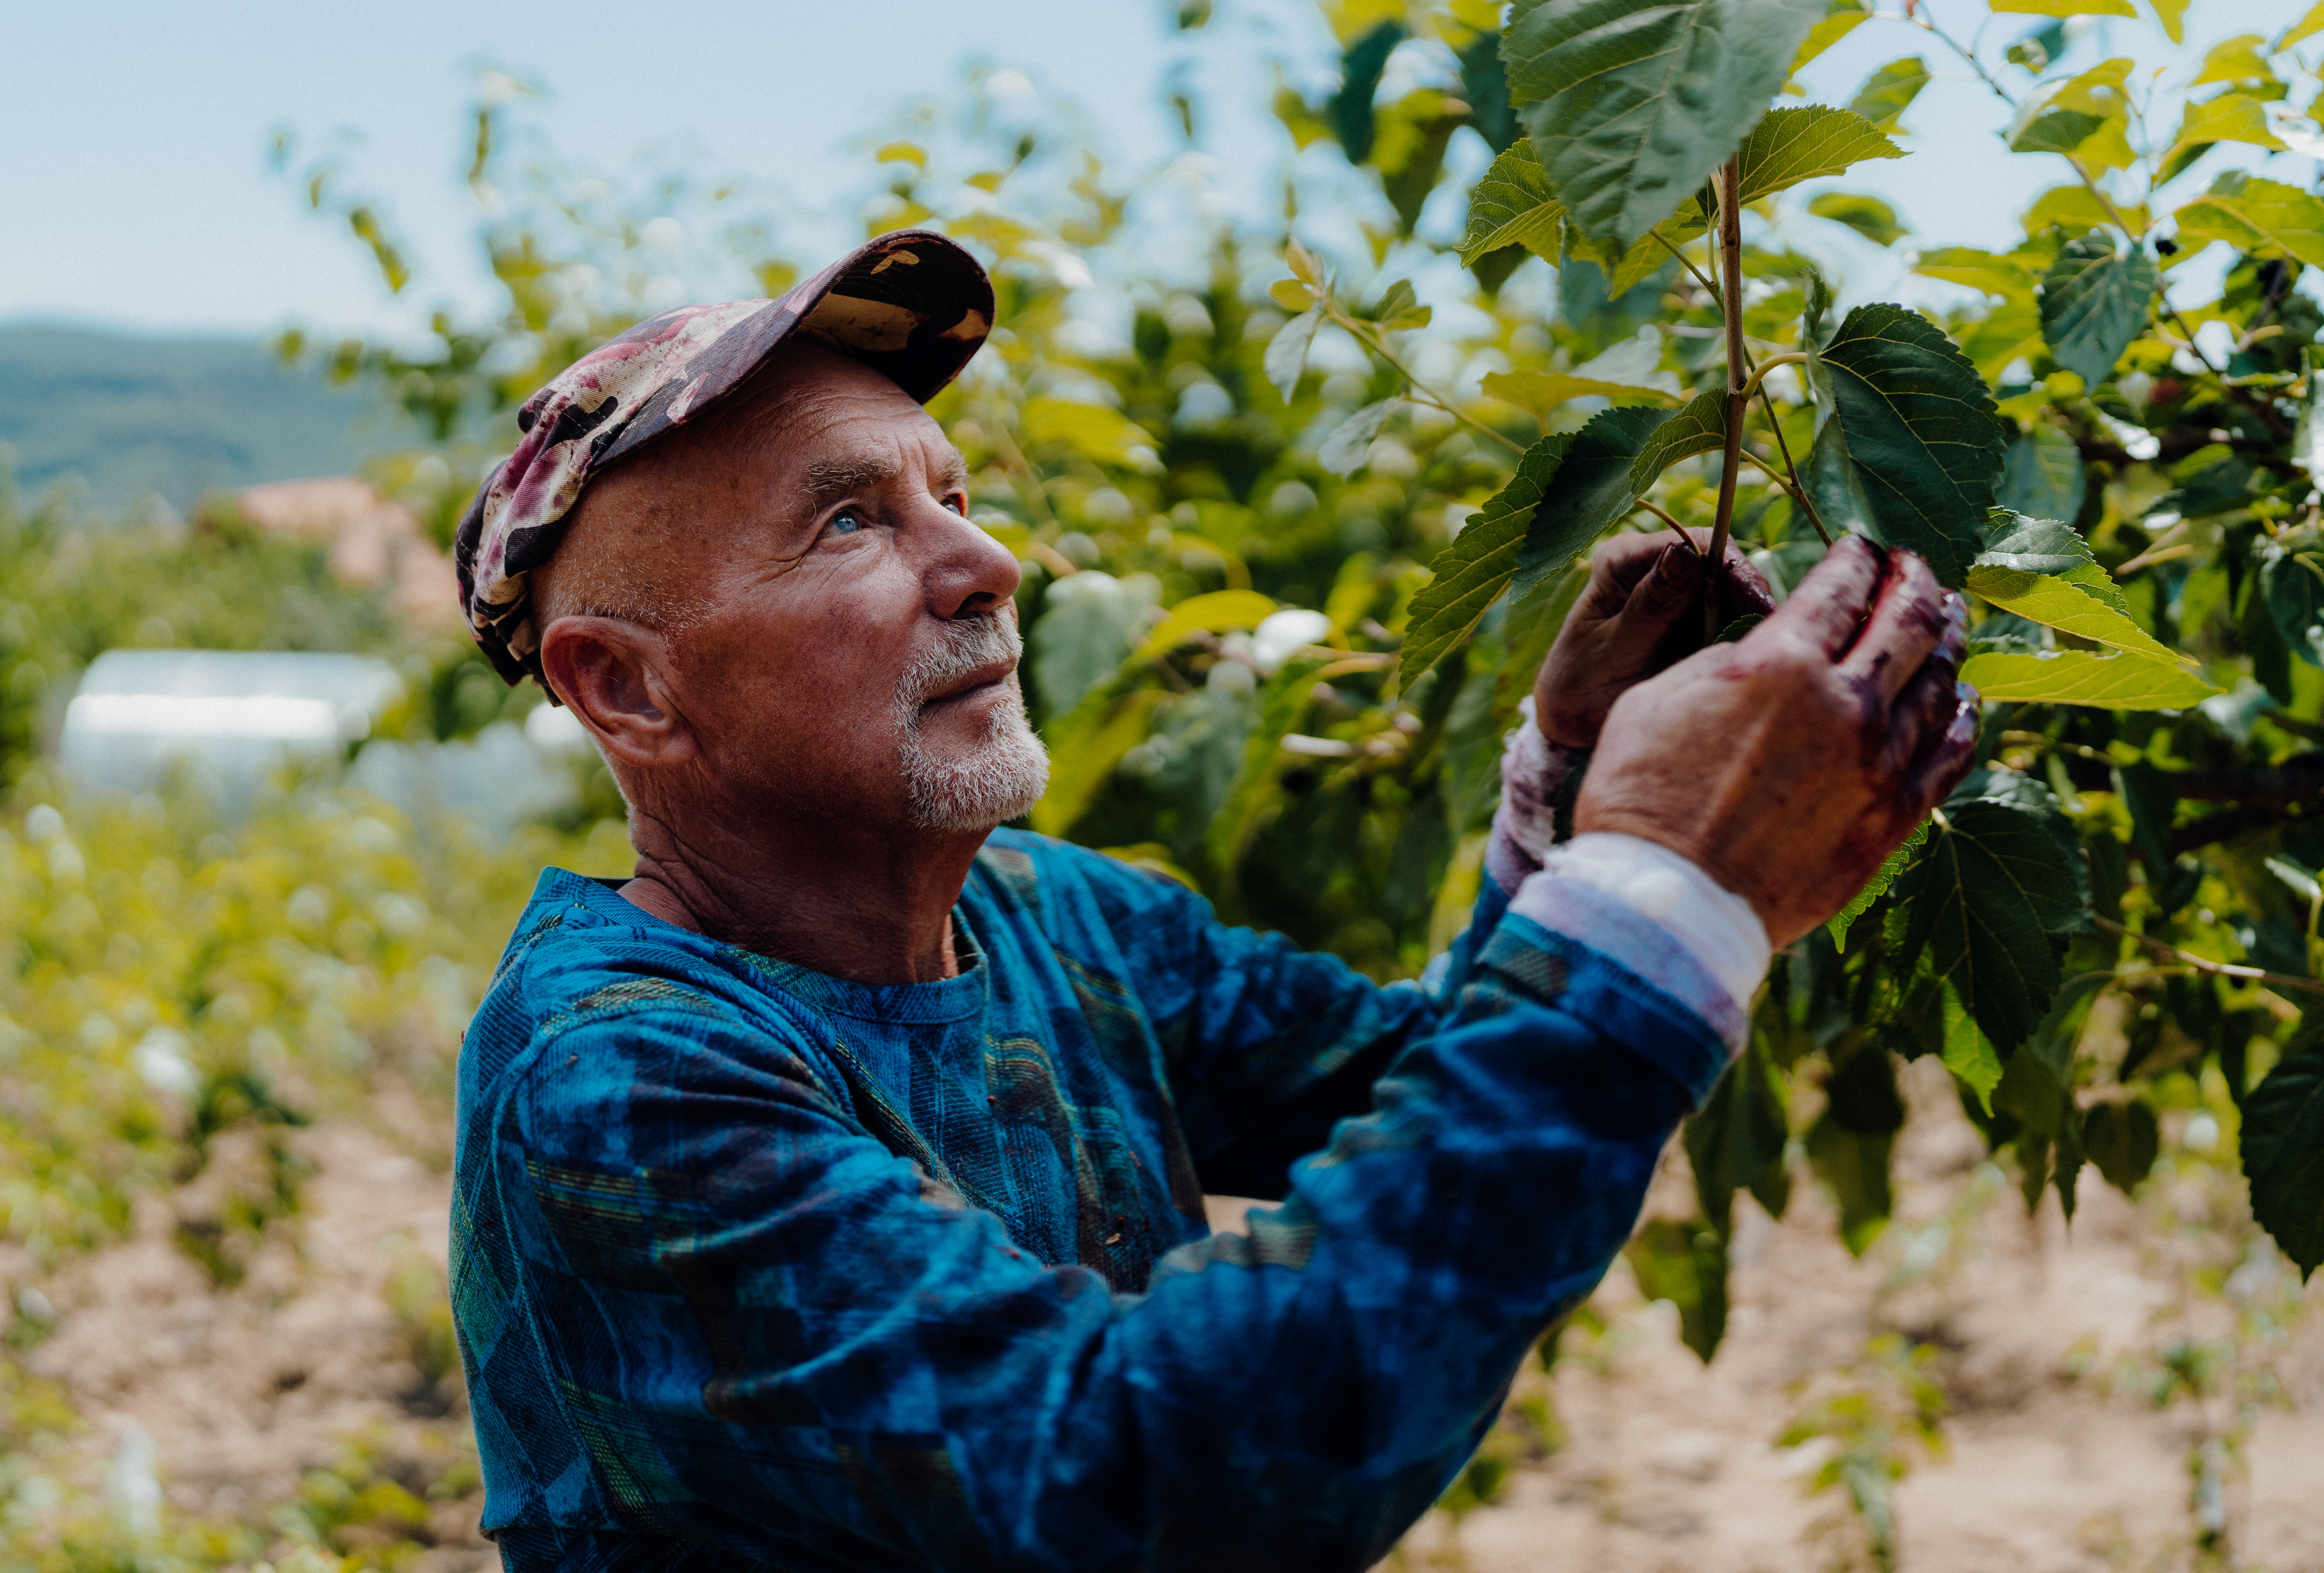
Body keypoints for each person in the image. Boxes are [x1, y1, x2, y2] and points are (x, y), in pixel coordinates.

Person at [446, 229, 1975, 1573]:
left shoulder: (1055, 916)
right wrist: (1660, 881)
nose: (983, 561)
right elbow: (1146, 1488)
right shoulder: (620, 1083)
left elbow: (1416, 1084)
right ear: (626, 685)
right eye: (851, 521)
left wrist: (1569, 788)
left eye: (956, 495)